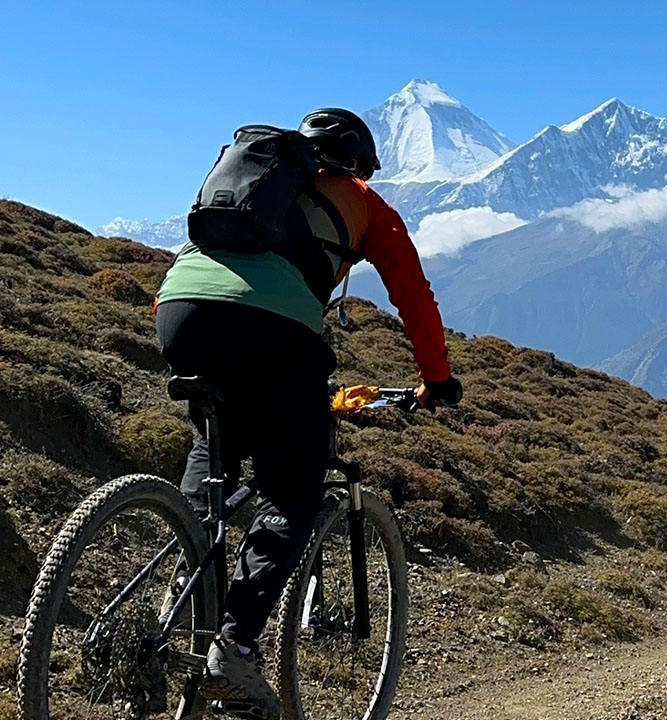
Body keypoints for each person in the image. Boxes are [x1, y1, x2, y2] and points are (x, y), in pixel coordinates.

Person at [154, 108, 461, 718]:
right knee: (293, 491)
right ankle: (234, 652)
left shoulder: (251, 189)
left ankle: (176, 606)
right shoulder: (365, 202)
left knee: (214, 449)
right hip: (274, 328)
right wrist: (437, 380)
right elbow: (414, 295)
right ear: (358, 163)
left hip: (178, 305)